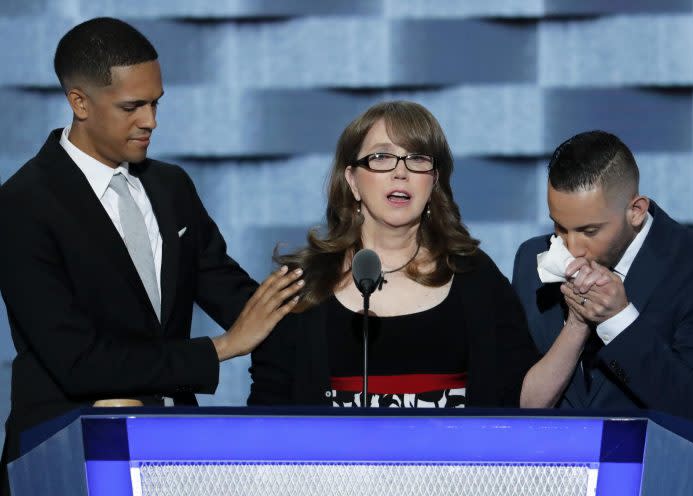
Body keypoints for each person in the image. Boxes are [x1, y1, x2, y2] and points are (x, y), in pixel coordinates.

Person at [0, 17, 302, 494]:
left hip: (169, 454)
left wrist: (340, 305)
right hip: (64, 457)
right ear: (79, 102)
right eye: (132, 106)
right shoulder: (22, 206)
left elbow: (238, 298)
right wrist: (223, 348)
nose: (151, 121)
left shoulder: (171, 186)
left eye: (156, 103)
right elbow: (78, 363)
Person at [248, 100, 590, 409]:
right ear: (352, 180)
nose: (401, 171)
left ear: (434, 181)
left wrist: (577, 324)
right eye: (381, 157)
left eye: (417, 159)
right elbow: (263, 421)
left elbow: (524, 401)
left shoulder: (474, 275)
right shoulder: (299, 285)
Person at [511, 130, 693, 495]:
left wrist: (619, 321)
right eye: (559, 227)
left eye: (589, 230)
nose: (572, 248)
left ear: (636, 211)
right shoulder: (531, 260)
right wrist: (577, 324)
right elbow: (520, 404)